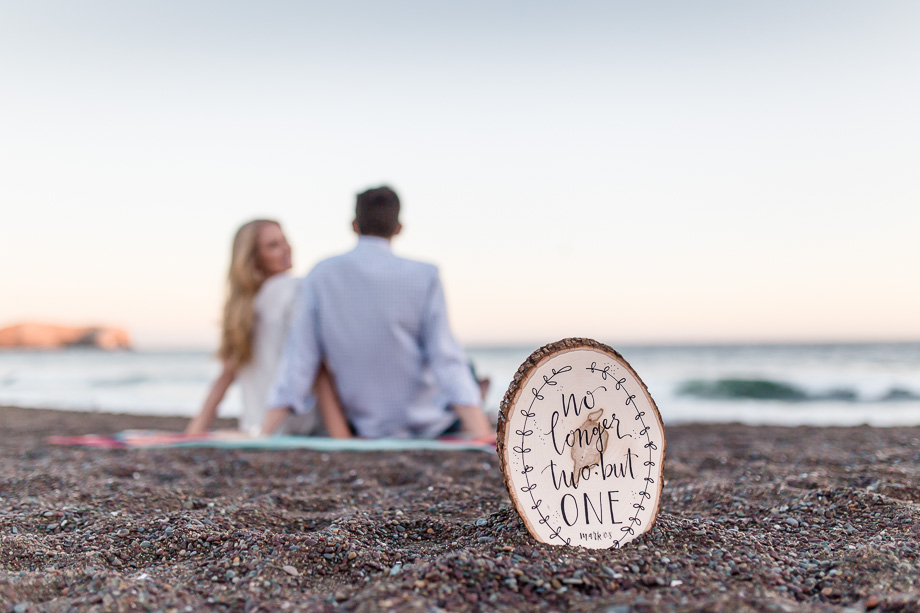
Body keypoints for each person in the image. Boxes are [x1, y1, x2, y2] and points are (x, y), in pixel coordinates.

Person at [262, 186, 493, 440]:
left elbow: (300, 359)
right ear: (399, 228)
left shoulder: (321, 274)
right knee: (466, 366)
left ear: (354, 225)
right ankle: (477, 402)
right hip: (427, 424)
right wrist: (482, 434)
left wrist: (263, 432)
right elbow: (444, 358)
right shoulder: (425, 276)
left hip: (364, 424)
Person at [185, 219, 340, 437]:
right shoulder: (294, 290)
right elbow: (314, 364)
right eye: (273, 245)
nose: (286, 249)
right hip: (295, 425)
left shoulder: (241, 308)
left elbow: (226, 375)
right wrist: (342, 436)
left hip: (255, 424)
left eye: (284, 241)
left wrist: (195, 430)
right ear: (254, 259)